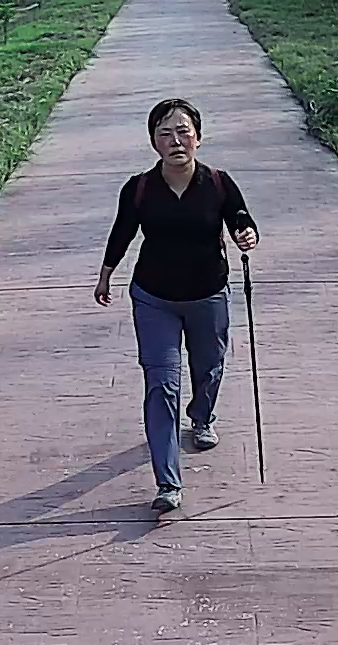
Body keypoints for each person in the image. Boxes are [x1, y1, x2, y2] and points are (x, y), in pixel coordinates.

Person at [95, 97, 260, 513]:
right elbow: (122, 232)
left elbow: (240, 217)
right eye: (164, 133)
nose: (175, 141)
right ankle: (168, 483)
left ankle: (202, 417)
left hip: (208, 295)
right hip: (154, 298)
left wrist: (246, 234)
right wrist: (106, 274)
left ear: (198, 138)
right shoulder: (140, 188)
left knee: (209, 367)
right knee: (161, 384)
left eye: (183, 131)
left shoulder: (218, 183)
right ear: (154, 142)